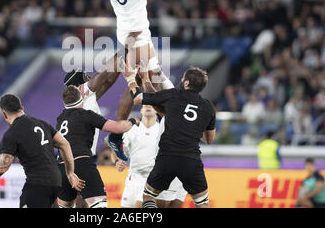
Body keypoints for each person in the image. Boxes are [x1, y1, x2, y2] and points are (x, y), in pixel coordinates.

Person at [66, 0, 174, 160]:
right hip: (139, 36)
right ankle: (117, 133)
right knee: (146, 82)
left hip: (127, 35)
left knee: (133, 80)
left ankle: (110, 124)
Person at [122, 64, 216, 208]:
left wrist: (130, 78)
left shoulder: (173, 95)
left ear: (186, 83)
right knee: (202, 204)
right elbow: (209, 139)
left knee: (148, 195)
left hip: (167, 157)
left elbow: (138, 98)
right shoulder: (208, 107)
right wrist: (192, 129)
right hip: (191, 160)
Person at [0, 94, 85, 208]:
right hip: (56, 182)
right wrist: (70, 172)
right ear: (22, 108)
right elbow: (65, 144)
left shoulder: (12, 133)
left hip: (38, 184)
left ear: (4, 114)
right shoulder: (43, 124)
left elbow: (2, 167)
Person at [56, 85, 140, 208]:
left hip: (61, 167)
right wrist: (132, 121)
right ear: (81, 96)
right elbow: (118, 128)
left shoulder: (60, 118)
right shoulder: (86, 114)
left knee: (66, 206)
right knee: (99, 205)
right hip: (80, 163)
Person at [116, 105, 187, 208]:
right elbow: (120, 148)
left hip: (151, 179)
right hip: (133, 178)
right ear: (141, 110)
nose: (148, 107)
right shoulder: (133, 129)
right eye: (145, 105)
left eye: (151, 105)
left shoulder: (162, 130)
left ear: (156, 110)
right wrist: (117, 160)